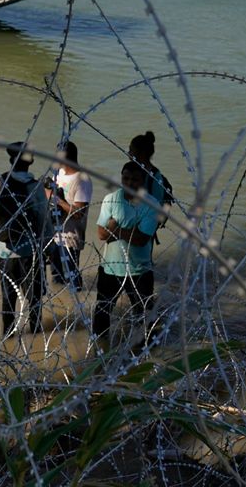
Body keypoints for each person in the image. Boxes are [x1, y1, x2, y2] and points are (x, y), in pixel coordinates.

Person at [92, 160, 160, 344]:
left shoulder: (152, 204)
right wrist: (129, 229)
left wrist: (115, 227)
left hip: (139, 270)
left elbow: (140, 240)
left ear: (143, 181)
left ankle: (147, 354)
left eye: (135, 180)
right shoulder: (111, 198)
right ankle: (99, 351)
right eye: (126, 178)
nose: (129, 183)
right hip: (110, 268)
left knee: (145, 317)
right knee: (102, 314)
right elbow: (101, 234)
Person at [0, 142, 51, 337]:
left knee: (8, 297)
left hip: (5, 248)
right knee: (34, 298)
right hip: (29, 250)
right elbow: (43, 219)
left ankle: (7, 337)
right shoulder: (35, 186)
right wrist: (47, 248)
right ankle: (36, 334)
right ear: (29, 162)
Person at [46, 140, 93, 289]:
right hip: (54, 235)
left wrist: (56, 199)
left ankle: (75, 308)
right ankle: (62, 305)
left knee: (72, 281)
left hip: (70, 238)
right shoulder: (59, 173)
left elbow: (79, 213)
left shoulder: (82, 180)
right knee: (56, 279)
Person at [128, 131, 174, 239]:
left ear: (141, 154)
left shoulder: (155, 178)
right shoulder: (135, 173)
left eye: (131, 150)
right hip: (133, 226)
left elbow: (155, 207)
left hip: (144, 231)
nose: (128, 153)